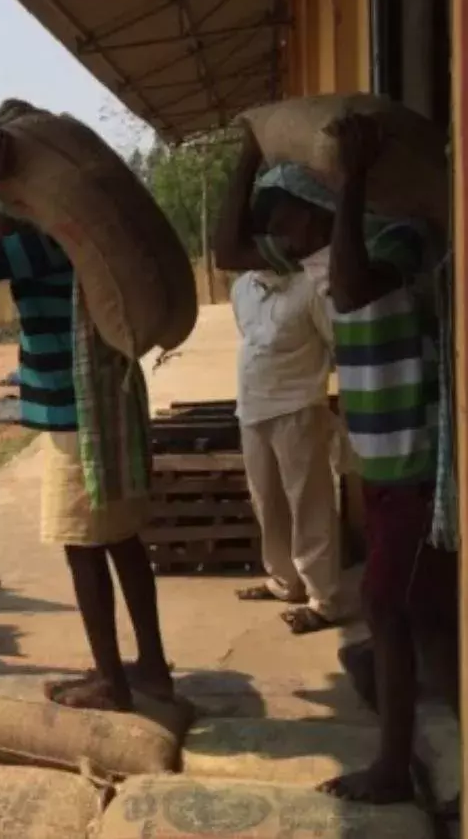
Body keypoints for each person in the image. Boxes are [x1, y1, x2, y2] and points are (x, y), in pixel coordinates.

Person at [212, 114, 457, 804]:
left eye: (284, 216)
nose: (277, 233)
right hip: (380, 464)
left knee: (387, 606)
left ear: (317, 205)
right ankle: (437, 740)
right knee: (422, 614)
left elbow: (352, 289)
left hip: (417, 463)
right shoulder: (314, 255)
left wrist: (350, 180)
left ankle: (393, 769)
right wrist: (248, 153)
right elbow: (228, 249)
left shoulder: (401, 237)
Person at [0, 128, 175, 712]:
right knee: (121, 540)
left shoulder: (38, 245)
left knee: (82, 547)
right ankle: (150, 667)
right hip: (105, 407)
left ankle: (111, 683)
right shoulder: (70, 243)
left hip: (76, 422)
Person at [229, 239, 344, 634]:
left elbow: (335, 343)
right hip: (252, 409)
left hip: (299, 410)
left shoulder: (309, 287)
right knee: (266, 501)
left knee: (309, 504)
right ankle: (284, 581)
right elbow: (247, 335)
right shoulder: (242, 288)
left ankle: (323, 599)